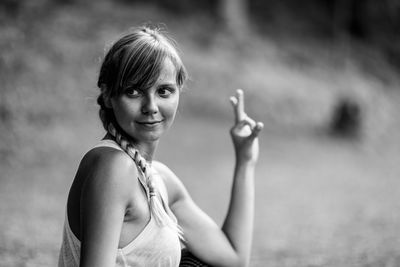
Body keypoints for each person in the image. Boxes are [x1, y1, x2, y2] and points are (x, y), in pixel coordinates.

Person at [58, 26, 263, 267]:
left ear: (178, 94)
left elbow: (232, 258)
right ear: (108, 96)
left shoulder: (161, 180)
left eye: (164, 91)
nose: (151, 106)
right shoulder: (113, 166)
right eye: (133, 91)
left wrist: (245, 161)